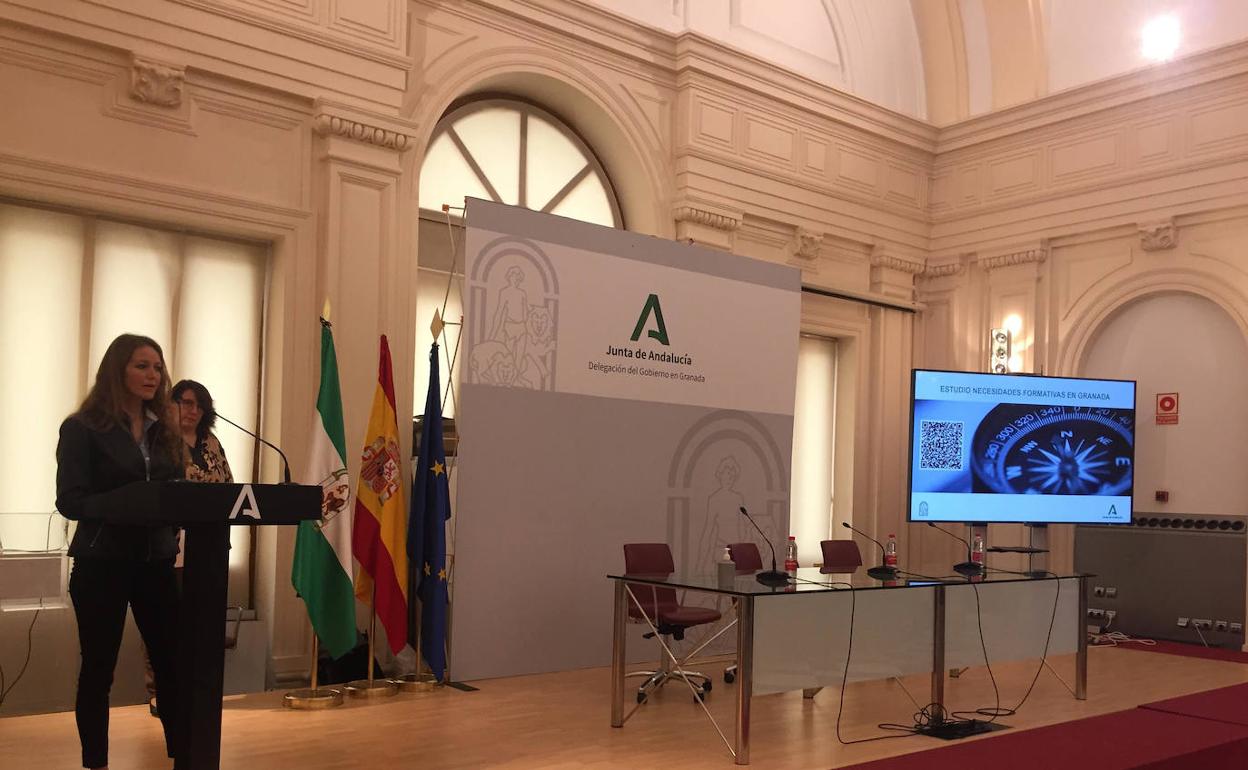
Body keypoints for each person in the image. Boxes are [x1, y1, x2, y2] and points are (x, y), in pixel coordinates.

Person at [56, 333, 184, 770]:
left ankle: (184, 755)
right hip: (102, 562)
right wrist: (127, 502)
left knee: (171, 663)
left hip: (156, 562)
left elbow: (176, 493)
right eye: (141, 366)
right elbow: (70, 501)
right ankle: (96, 762)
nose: (153, 375)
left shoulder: (164, 429)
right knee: (99, 667)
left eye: (157, 367)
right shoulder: (83, 428)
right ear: (117, 370)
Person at [138, 379, 235, 717]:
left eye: (200, 405)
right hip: (170, 545)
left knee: (202, 623)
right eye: (186, 403)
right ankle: (159, 691)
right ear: (171, 404)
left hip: (209, 547)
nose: (193, 411)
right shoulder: (159, 441)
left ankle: (198, 689)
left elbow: (229, 489)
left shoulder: (212, 443)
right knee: (165, 622)